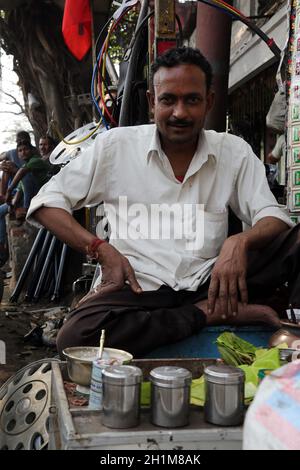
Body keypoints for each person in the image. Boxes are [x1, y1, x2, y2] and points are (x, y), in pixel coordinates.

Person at [27, 47, 299, 358]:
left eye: (192, 100)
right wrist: (101, 249)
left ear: (208, 102)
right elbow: (47, 203)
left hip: (213, 282)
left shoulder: (232, 151)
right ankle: (204, 314)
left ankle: (288, 337)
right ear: (152, 102)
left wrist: (239, 242)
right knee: (76, 336)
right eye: (168, 100)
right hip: (140, 288)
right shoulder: (115, 148)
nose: (180, 113)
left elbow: (272, 216)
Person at [6, 140, 51, 220]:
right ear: (18, 154)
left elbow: (22, 171)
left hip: (44, 193)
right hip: (33, 195)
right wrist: (13, 204)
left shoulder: (36, 160)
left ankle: (26, 208)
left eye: (26, 149)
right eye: (20, 151)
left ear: (31, 151)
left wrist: (9, 190)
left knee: (26, 175)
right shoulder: (25, 165)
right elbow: (20, 188)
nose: (23, 152)